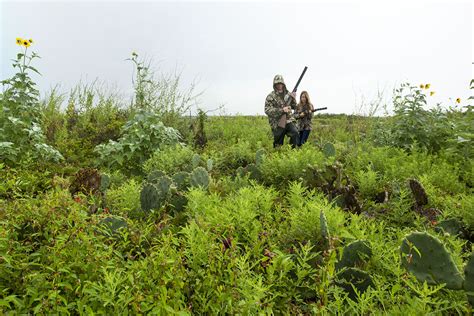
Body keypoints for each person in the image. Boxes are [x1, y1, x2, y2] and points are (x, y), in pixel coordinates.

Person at [264, 75, 299, 148]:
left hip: (289, 120)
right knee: (278, 143)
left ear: (283, 84)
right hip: (277, 122)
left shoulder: (289, 94)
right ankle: (277, 155)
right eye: (277, 84)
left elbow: (295, 107)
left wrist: (294, 99)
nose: (279, 85)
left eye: (280, 83)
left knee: (295, 133)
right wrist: (281, 110)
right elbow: (267, 110)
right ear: (275, 85)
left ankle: (292, 152)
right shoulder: (271, 96)